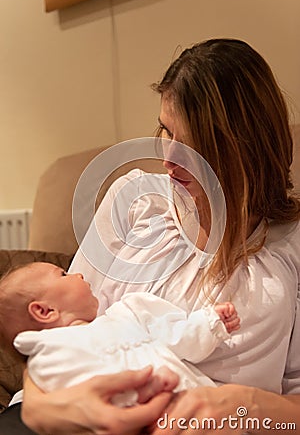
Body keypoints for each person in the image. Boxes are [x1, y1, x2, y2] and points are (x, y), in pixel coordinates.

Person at [5, 38, 300, 434]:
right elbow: (56, 335)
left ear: (243, 146)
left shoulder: (291, 245)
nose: (168, 158)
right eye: (165, 130)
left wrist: (244, 407)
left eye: (191, 142)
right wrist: (50, 412)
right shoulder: (136, 200)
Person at [0, 261, 239, 408]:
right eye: (63, 274)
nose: (79, 275)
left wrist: (209, 322)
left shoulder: (129, 313)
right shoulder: (52, 358)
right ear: (44, 310)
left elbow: (180, 338)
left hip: (194, 406)